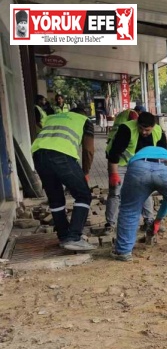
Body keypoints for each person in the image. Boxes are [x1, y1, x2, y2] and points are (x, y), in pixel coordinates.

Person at [111, 145, 167, 261]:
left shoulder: (139, 154)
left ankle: (123, 251)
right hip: (166, 166)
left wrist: (158, 220)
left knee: (129, 209)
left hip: (138, 168)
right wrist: (158, 220)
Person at [31, 104, 95, 251]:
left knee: (56, 199)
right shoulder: (85, 120)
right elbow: (88, 149)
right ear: (83, 114)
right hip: (61, 155)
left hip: (38, 154)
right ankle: (73, 237)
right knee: (83, 195)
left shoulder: (52, 118)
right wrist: (85, 172)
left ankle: (64, 236)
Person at [105, 111, 164, 232]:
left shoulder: (158, 131)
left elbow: (163, 153)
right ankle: (110, 224)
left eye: (147, 130)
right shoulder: (126, 129)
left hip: (141, 165)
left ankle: (149, 221)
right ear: (137, 123)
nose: (143, 132)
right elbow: (114, 153)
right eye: (141, 128)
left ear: (153, 127)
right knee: (115, 192)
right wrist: (114, 174)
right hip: (120, 164)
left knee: (145, 190)